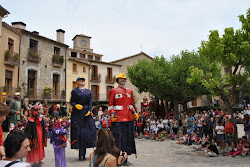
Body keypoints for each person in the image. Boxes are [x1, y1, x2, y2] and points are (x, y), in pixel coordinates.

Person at [108, 73, 139, 165]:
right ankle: (117, 159)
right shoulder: (113, 91)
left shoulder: (130, 91)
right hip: (118, 119)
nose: (123, 80)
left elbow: (131, 104)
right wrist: (112, 114)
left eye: (124, 79)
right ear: (117, 80)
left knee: (127, 140)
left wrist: (134, 112)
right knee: (118, 140)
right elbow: (110, 105)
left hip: (128, 119)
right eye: (121, 79)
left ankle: (125, 159)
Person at [70, 77, 96, 160]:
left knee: (86, 133)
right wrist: (75, 105)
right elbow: (72, 101)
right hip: (77, 113)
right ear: (77, 82)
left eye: (83, 81)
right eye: (80, 81)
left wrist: (89, 110)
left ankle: (84, 153)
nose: (82, 82)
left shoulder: (88, 91)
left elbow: (90, 101)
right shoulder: (74, 91)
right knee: (79, 133)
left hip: (86, 114)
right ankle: (80, 154)